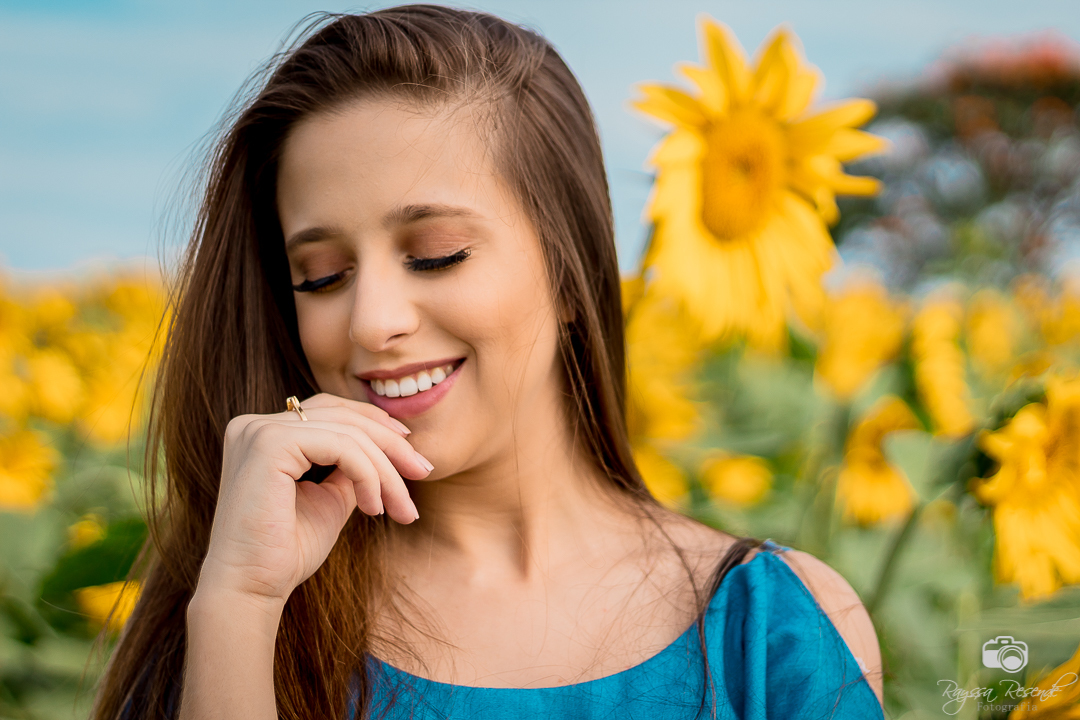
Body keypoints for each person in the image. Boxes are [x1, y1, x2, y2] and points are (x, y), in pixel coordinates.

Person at [90, 5, 885, 719]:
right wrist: (237, 607)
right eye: (321, 277)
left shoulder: (776, 626)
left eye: (437, 255)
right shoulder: (239, 613)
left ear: (570, 272)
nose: (371, 322)